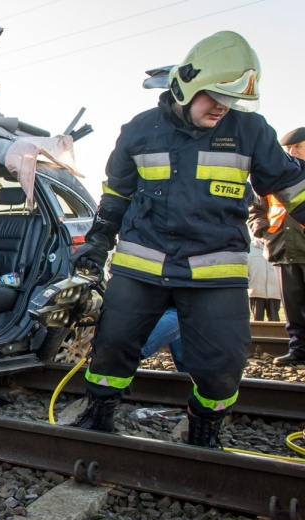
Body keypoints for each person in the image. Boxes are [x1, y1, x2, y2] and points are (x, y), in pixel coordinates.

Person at [69, 31, 305, 448]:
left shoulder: (251, 131)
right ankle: (99, 417)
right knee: (112, 347)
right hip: (141, 268)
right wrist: (97, 245)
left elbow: (293, 187)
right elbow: (116, 196)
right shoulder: (139, 131)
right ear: (186, 85)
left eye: (230, 99)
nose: (222, 106)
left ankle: (204, 432)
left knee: (223, 365)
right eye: (215, 95)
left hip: (215, 272)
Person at [248, 127, 305, 364]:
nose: (291, 152)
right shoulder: (275, 177)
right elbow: (255, 210)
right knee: (293, 309)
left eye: (297, 147)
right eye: (288, 148)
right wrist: (263, 231)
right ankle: (299, 351)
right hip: (283, 250)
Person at [246, 236, 281, 322]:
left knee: (274, 321)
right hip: (256, 292)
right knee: (257, 321)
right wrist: (249, 283)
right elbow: (245, 269)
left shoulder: (278, 246)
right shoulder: (249, 249)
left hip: (275, 293)